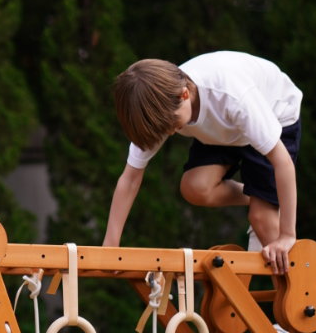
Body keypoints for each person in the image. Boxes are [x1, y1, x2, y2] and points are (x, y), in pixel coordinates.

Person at [103, 52, 302, 278]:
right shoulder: (157, 108)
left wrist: (287, 234)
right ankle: (258, 197)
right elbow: (130, 178)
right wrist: (111, 245)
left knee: (262, 220)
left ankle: (296, 291)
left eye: (173, 124)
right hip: (224, 129)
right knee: (194, 187)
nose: (169, 132)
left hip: (274, 114)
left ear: (184, 94)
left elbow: (283, 162)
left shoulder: (231, 95)